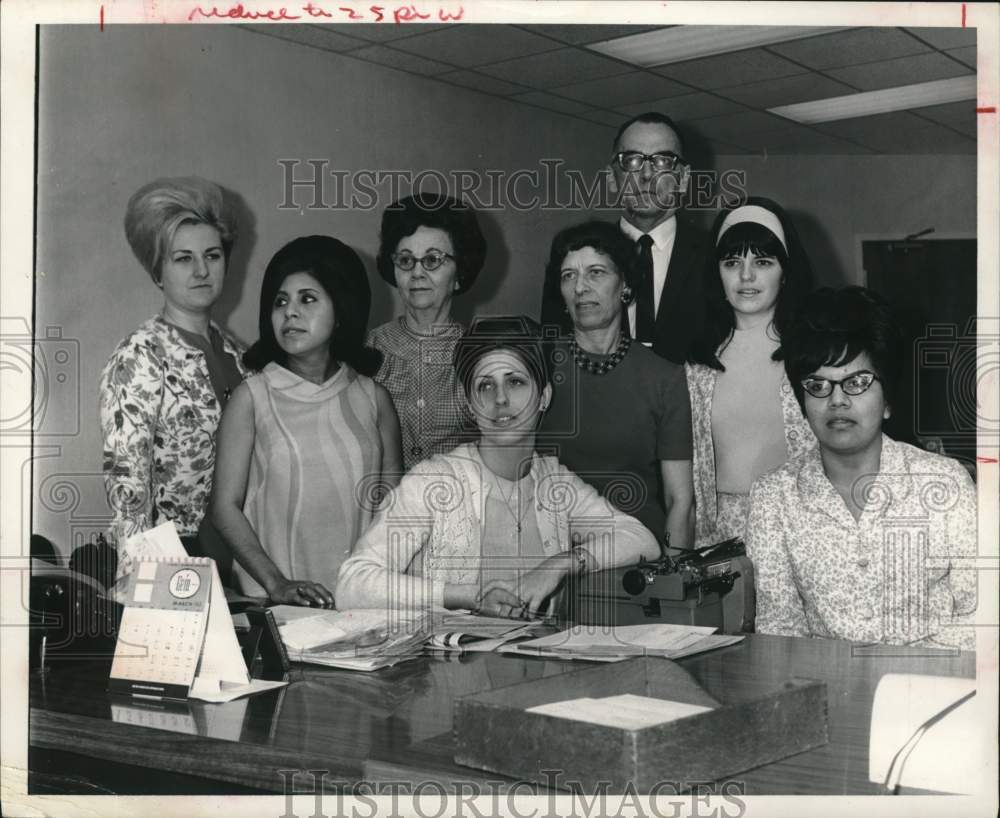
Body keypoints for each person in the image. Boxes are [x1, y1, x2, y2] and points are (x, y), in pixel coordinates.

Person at [336, 316, 658, 619]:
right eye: (485, 386)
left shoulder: (555, 482)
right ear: (469, 404)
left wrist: (561, 564)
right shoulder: (432, 481)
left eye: (515, 382)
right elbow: (352, 584)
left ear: (544, 397)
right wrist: (466, 595)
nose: (500, 399)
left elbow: (641, 539)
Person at [745, 287, 977, 649]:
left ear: (888, 400)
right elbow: (780, 630)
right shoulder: (773, 497)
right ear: (802, 402)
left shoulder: (947, 482)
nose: (837, 400)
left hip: (932, 678)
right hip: (822, 681)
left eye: (856, 383)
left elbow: (978, 615)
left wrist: (897, 674)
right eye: (817, 385)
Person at [210, 236, 402, 607]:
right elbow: (223, 507)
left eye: (307, 299)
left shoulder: (374, 398)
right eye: (280, 301)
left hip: (360, 603)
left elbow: (392, 510)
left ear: (341, 309)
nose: (289, 312)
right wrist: (277, 584)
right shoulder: (252, 397)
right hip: (275, 604)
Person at [99, 176, 246, 574]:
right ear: (158, 271)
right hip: (173, 559)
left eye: (212, 255)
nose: (201, 270)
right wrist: (142, 584)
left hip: (245, 560)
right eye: (183, 259)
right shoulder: (140, 355)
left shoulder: (240, 357)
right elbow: (128, 486)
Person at [538, 221, 695, 549]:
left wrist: (671, 573)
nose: (580, 287)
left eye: (595, 273)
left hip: (641, 554)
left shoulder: (665, 378)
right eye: (568, 276)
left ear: (625, 285)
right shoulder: (537, 365)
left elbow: (679, 501)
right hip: (553, 551)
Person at [686, 198, 816, 546]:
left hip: (801, 532)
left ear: (785, 272)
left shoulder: (814, 356)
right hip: (718, 539)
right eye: (732, 262)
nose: (746, 276)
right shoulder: (697, 365)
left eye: (762, 262)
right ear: (717, 273)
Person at [540, 112, 708, 365]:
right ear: (612, 178)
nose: (647, 175)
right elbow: (555, 348)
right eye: (632, 161)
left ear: (683, 179)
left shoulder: (715, 253)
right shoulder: (573, 255)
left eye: (663, 161)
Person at [368, 193, 487, 470]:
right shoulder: (371, 346)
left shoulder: (480, 355)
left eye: (433, 260)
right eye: (406, 260)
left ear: (459, 275)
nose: (417, 273)